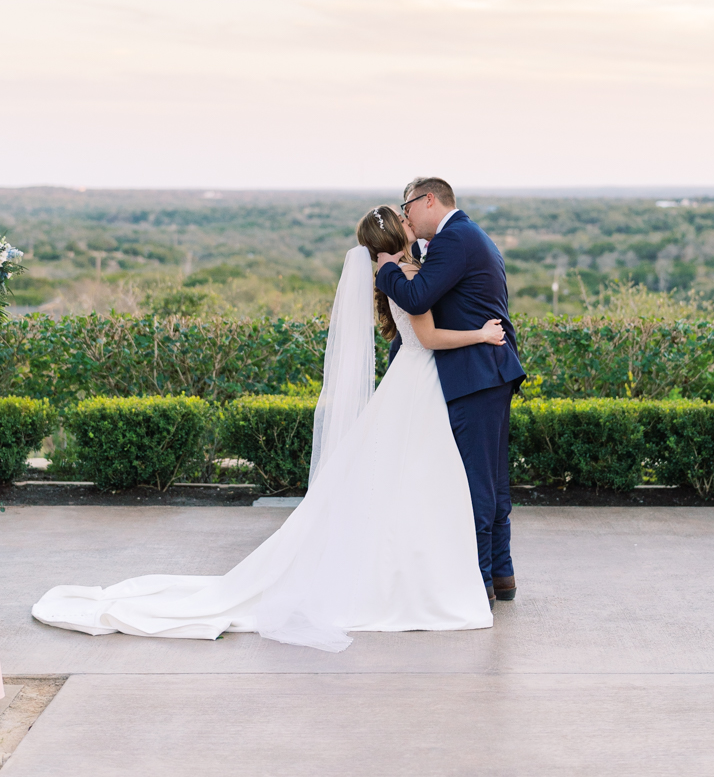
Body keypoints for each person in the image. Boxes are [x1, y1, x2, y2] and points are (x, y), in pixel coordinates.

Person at [31, 207, 504, 653]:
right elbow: (426, 338)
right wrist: (481, 335)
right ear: (398, 237)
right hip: (420, 383)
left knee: (406, 484)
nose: (409, 220)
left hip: (410, 386)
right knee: (425, 482)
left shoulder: (392, 276)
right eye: (403, 218)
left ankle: (412, 572)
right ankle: (419, 579)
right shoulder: (405, 277)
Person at [375, 177, 525, 605]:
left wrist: (385, 268)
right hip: (486, 372)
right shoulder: (468, 235)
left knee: (477, 486)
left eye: (408, 207)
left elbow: (418, 297)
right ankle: (501, 574)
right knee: (493, 483)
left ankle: (479, 584)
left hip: (476, 374)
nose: (406, 216)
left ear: (429, 200)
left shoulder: (453, 239)